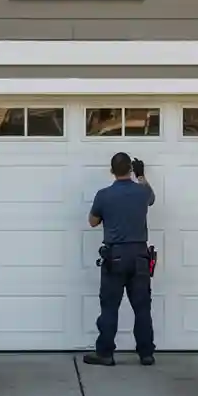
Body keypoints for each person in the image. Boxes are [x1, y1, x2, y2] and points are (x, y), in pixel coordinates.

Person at [83, 151, 156, 366]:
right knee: (142, 307)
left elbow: (92, 222)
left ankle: (105, 353)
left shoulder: (103, 195)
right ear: (131, 170)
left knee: (109, 307)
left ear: (111, 171)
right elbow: (151, 198)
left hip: (115, 257)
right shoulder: (142, 192)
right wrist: (141, 176)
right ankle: (146, 354)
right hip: (140, 256)